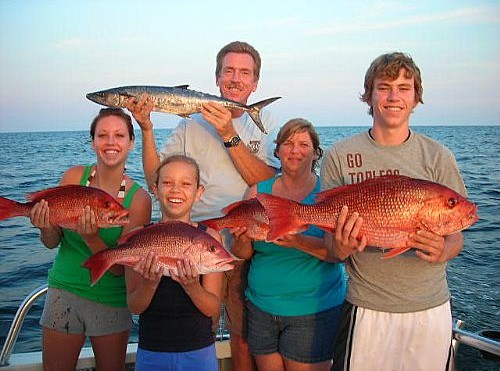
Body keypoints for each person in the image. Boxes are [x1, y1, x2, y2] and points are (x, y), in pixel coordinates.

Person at [127, 41, 281, 370]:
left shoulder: (265, 121)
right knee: (201, 330)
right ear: (216, 78)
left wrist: (228, 132)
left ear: (255, 83)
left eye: (245, 73)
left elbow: (267, 179)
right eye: (229, 71)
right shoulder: (190, 123)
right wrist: (146, 127)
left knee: (242, 337)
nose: (236, 79)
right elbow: (157, 176)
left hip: (242, 246)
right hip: (191, 245)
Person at [321, 52, 468, 371]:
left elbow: (457, 238)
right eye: (384, 86)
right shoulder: (340, 155)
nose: (393, 96)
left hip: (430, 308)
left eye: (404, 87)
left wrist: (443, 249)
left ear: (416, 98)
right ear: (369, 95)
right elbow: (331, 250)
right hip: (366, 307)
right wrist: (341, 246)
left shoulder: (438, 156)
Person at [29, 108, 152, 371]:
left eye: (119, 135)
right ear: (93, 141)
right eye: (103, 135)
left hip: (111, 299)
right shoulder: (74, 177)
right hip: (64, 290)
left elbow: (120, 270)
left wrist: (91, 237)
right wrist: (44, 226)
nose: (110, 142)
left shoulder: (139, 200)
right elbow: (52, 242)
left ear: (131, 142)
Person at [230, 118, 351, 371]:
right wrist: (241, 240)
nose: (295, 150)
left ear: (316, 153)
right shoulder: (257, 193)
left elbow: (338, 254)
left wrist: (297, 241)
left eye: (303, 144)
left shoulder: (329, 194)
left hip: (312, 310)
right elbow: (243, 253)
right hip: (261, 307)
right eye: (288, 143)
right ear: (277, 151)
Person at [125, 155, 223, 371]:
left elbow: (213, 308)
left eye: (186, 184)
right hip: (152, 349)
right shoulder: (137, 237)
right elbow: (135, 306)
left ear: (199, 192)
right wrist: (150, 284)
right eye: (167, 183)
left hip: (199, 349)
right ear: (155, 189)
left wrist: (192, 286)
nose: (176, 190)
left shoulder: (211, 239)